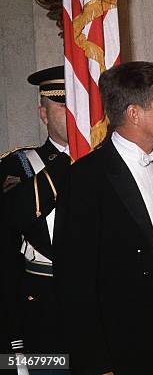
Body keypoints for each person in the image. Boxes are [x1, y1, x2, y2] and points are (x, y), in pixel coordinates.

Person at [53, 61, 153, 375]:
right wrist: (96, 363)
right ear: (134, 113)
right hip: (122, 347)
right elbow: (74, 281)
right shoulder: (87, 177)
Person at [0, 66, 71, 369]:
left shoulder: (110, 162)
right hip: (43, 310)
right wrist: (72, 158)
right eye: (63, 104)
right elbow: (14, 215)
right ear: (43, 113)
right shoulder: (18, 164)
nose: (73, 112)